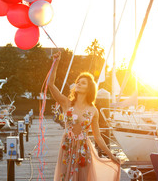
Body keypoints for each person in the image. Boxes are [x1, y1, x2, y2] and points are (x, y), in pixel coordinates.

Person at [48, 52, 121, 181]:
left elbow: (98, 137)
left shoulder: (93, 110)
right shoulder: (66, 103)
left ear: (89, 89)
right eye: (78, 82)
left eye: (83, 83)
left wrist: (111, 155)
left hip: (84, 150)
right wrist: (56, 62)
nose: (79, 84)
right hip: (67, 148)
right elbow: (50, 85)